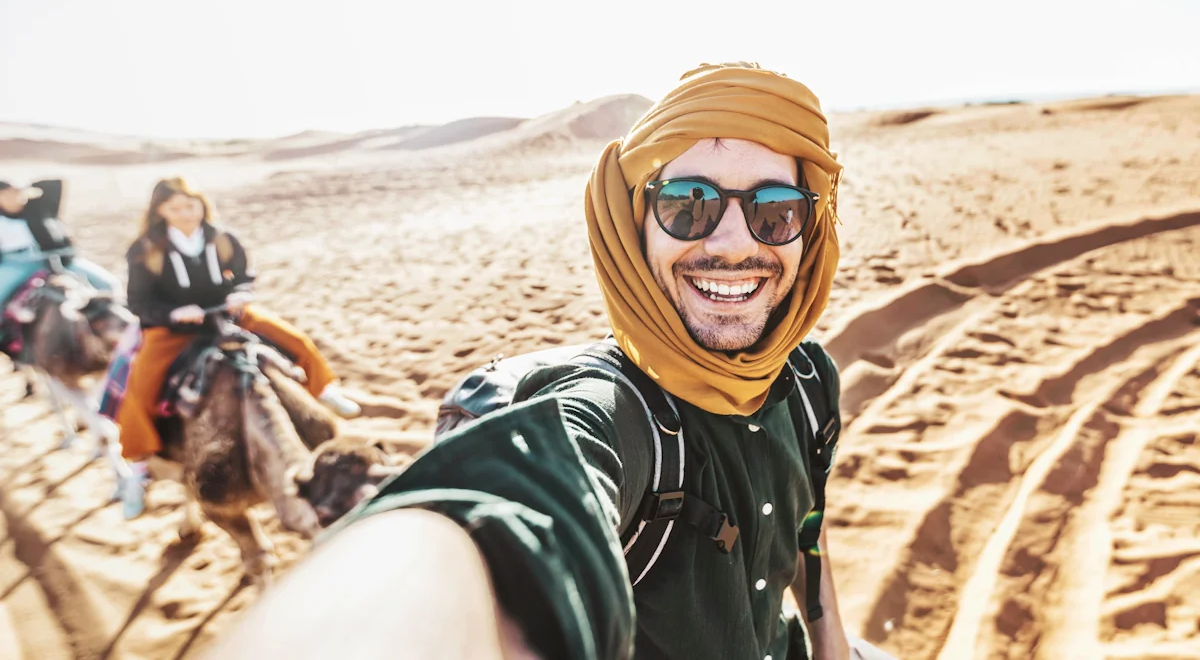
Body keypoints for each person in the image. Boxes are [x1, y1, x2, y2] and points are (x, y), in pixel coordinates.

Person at [209, 63, 893, 660]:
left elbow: (807, 529)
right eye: (690, 206)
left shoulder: (808, 380)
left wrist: (831, 647)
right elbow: (490, 520)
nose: (734, 243)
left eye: (775, 211)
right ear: (635, 223)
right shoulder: (613, 411)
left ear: (814, 229)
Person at [114, 177, 361, 519]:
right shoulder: (145, 249)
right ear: (161, 212)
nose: (185, 213)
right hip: (175, 329)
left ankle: (325, 390)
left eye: (191, 205)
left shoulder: (222, 238)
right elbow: (138, 301)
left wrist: (241, 293)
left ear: (202, 204)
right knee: (140, 387)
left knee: (295, 340)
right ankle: (139, 467)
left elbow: (244, 272)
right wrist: (173, 313)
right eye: (176, 208)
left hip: (229, 316)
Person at [0, 178, 121, 305]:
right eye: (4, 195)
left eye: (13, 193)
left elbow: (54, 185)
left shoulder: (39, 208)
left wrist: (24, 186)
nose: (11, 198)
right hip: (16, 263)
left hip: (55, 258)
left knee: (108, 284)